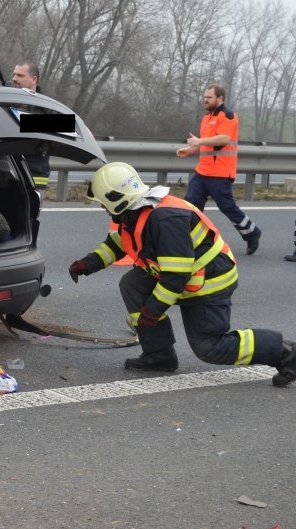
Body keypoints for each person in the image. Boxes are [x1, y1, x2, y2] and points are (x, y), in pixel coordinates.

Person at [68, 162, 295, 387]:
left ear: (117, 199)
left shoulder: (165, 220)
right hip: (185, 276)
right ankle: (159, 355)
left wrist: (152, 312)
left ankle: (286, 353)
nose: (102, 208)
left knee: (209, 347)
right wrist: (87, 264)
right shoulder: (135, 213)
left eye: (103, 203)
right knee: (132, 283)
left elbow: (176, 276)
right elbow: (120, 243)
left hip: (210, 282)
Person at [176, 84, 262, 255]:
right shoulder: (207, 118)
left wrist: (199, 142)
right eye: (204, 97)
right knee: (191, 206)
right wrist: (190, 150)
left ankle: (252, 233)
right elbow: (207, 144)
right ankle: (189, 242)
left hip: (220, 174)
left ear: (220, 98)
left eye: (209, 97)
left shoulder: (228, 116)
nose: (205, 100)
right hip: (202, 172)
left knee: (227, 207)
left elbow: (223, 139)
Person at [11, 62, 50, 193]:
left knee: (26, 213)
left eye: (20, 75)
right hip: (7, 174)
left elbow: (75, 127)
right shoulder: (7, 101)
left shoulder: (48, 107)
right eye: (14, 74)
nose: (14, 79)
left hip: (34, 177)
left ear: (34, 79)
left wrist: (25, 123)